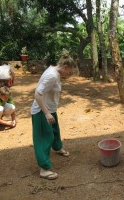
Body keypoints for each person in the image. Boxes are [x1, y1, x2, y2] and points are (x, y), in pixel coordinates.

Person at [31, 50, 77, 180]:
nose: (70, 75)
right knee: (44, 138)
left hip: (50, 107)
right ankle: (44, 169)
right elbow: (37, 94)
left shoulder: (54, 71)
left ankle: (57, 147)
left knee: (55, 130)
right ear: (65, 67)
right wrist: (46, 114)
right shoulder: (52, 75)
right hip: (41, 111)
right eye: (70, 72)